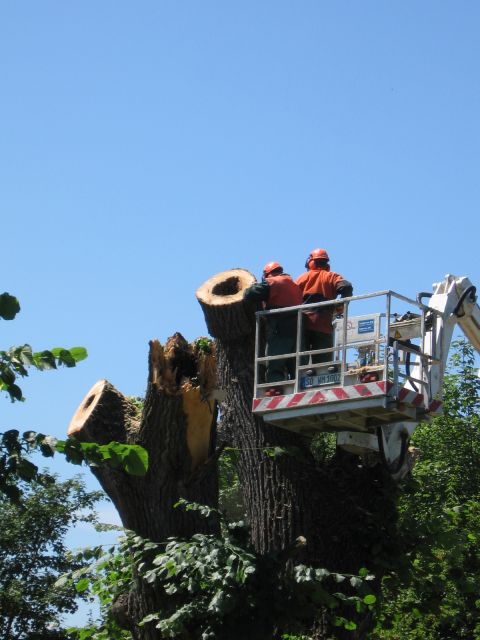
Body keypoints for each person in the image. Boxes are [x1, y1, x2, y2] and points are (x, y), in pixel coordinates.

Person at [244, 262, 302, 390]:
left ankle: (275, 389)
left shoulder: (271, 282)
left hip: (279, 329)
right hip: (297, 330)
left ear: (266, 274)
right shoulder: (295, 285)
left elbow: (249, 295)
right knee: (294, 362)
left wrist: (252, 286)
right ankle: (298, 388)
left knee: (274, 362)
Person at [296, 249, 353, 368]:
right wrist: (341, 305)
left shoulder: (302, 278)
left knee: (301, 361)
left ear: (311, 262)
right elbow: (346, 287)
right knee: (322, 364)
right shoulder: (331, 277)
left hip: (303, 324)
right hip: (323, 324)